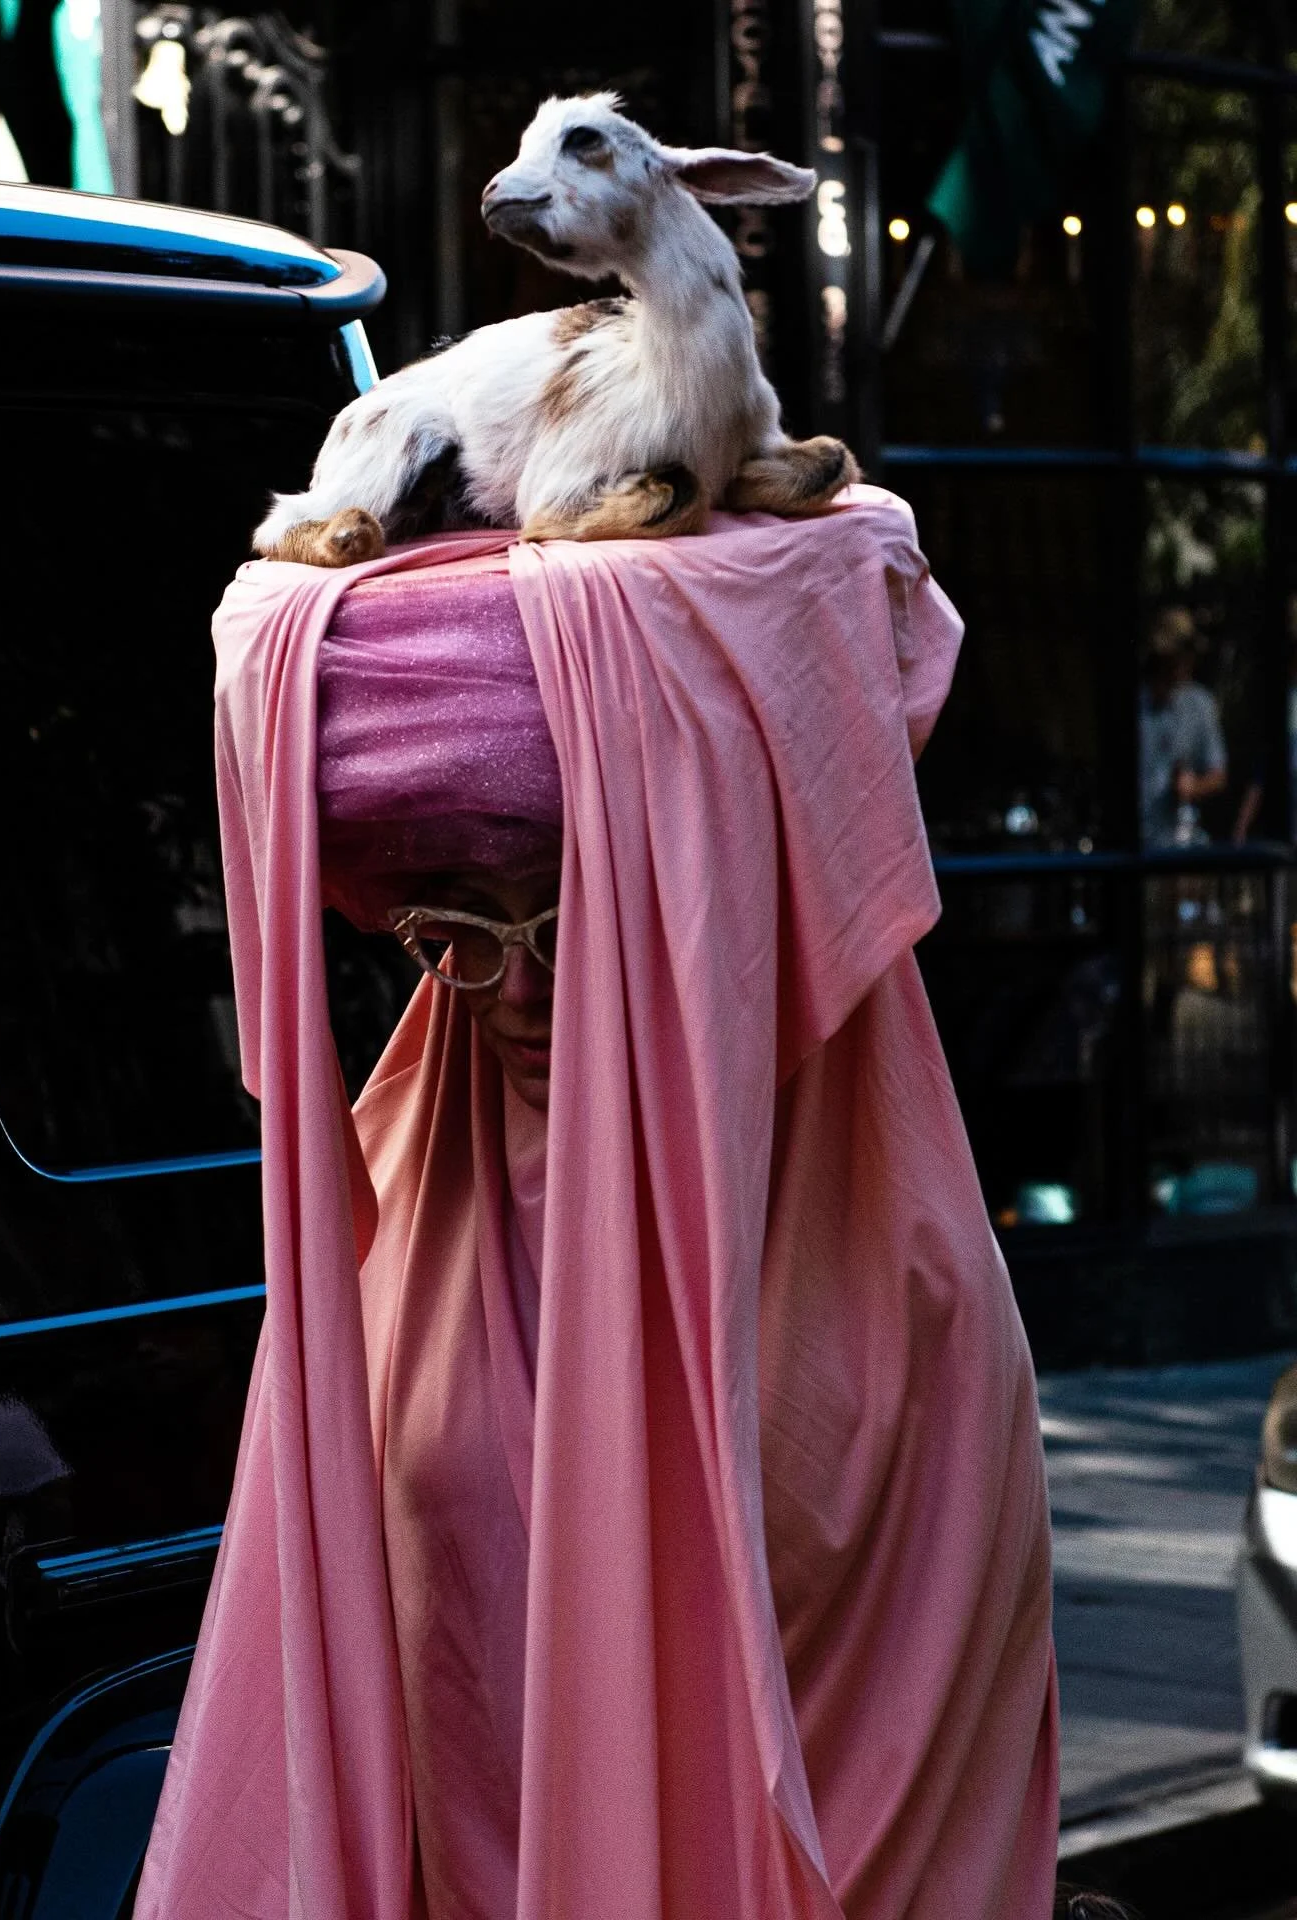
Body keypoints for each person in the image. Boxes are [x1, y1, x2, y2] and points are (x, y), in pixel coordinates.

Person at [136, 498, 1059, 1920]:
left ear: (710, 912)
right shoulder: (413, 1238)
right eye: (450, 928)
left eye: (569, 922)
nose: (511, 991)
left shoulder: (907, 1297)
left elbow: (919, 1793)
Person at [1139, 606, 1227, 846]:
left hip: (1184, 844)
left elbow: (1218, 775)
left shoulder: (1200, 704)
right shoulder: (1138, 705)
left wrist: (1193, 786)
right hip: (1140, 842)